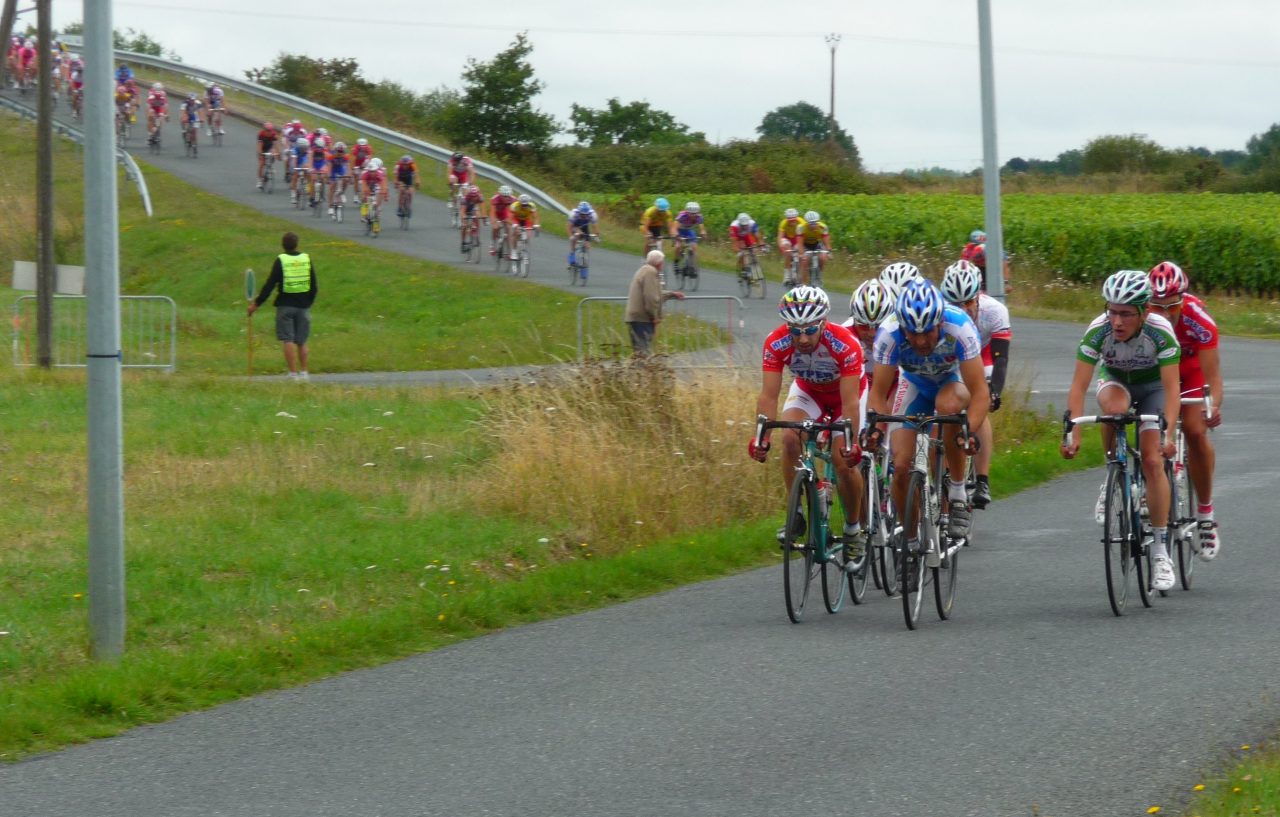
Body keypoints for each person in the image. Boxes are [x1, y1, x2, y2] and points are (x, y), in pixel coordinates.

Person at [1061, 270, 1181, 592]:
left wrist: (1168, 435)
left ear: (1144, 312)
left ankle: (1159, 549)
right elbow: (1078, 386)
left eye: (1126, 314)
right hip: (1115, 382)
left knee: (1154, 462)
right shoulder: (1097, 331)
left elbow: (1172, 391)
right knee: (1113, 413)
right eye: (1112, 311)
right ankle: (1112, 471)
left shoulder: (1161, 332)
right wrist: (1072, 431)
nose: (1116, 321)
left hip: (1154, 389)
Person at [865, 279, 989, 545]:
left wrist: (969, 433)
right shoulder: (889, 334)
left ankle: (956, 495)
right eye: (912, 333)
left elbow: (980, 393)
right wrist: (875, 428)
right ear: (902, 327)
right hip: (915, 385)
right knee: (900, 467)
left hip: (952, 381)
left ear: (940, 323)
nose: (920, 340)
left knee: (948, 407)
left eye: (928, 332)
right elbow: (878, 393)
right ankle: (909, 544)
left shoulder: (960, 327)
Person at [749, 286, 868, 560]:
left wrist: (851, 443)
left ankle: (853, 528)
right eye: (795, 330)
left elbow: (850, 403)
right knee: (789, 437)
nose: (802, 338)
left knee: (844, 463)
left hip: (846, 396)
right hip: (808, 391)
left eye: (810, 330)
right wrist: (760, 437)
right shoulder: (776, 342)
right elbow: (768, 395)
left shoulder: (845, 343)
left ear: (823, 323)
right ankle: (797, 513)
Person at [1147, 261, 1224, 560]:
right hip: (1156, 375)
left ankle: (1205, 514)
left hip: (1190, 374)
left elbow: (1214, 378)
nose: (1164, 313)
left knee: (1194, 429)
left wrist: (1212, 406)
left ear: (1183, 300)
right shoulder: (1140, 317)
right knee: (1146, 423)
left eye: (1171, 306)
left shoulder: (1198, 319)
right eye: (1157, 306)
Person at [940, 259, 1012, 509]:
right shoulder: (937, 311)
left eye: (968, 302)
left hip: (981, 357)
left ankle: (982, 479)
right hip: (949, 359)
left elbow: (1001, 359)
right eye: (954, 303)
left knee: (981, 403)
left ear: (979, 296)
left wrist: (994, 392)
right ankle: (945, 474)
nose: (962, 308)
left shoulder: (995, 311)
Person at [248, 232, 317, 381]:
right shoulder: (306, 259)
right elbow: (314, 285)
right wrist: (308, 302)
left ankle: (293, 374)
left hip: (285, 305)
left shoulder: (281, 260)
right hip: (304, 306)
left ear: (283, 245)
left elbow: (270, 284)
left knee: (288, 340)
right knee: (302, 341)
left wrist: (257, 303)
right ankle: (304, 373)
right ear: (297, 244)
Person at [625, 250, 686, 357]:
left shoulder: (645, 270)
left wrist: (672, 294)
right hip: (642, 319)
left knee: (639, 353)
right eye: (662, 262)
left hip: (637, 318)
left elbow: (656, 294)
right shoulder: (650, 272)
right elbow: (651, 298)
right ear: (658, 263)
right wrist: (654, 316)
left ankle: (638, 373)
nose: (663, 265)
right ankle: (642, 373)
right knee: (643, 354)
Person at [795, 210, 831, 285]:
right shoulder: (801, 227)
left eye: (815, 223)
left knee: (823, 258)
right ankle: (803, 283)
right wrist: (801, 254)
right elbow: (800, 243)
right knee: (804, 261)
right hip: (805, 245)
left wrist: (829, 252)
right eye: (811, 223)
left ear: (818, 222)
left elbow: (826, 242)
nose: (813, 225)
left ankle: (819, 275)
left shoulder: (822, 227)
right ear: (806, 222)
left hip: (817, 244)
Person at [673, 202, 707, 271]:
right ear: (687, 212)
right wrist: (677, 235)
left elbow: (702, 228)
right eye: (691, 213)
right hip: (680, 230)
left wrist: (703, 233)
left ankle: (692, 265)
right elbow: (674, 227)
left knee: (694, 247)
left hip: (689, 230)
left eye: (695, 213)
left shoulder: (699, 217)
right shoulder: (682, 215)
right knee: (678, 246)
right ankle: (676, 262)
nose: (693, 215)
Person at [776, 207, 804, 285]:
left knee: (800, 255)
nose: (793, 222)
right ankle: (787, 276)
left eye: (794, 220)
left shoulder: (801, 221)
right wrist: (781, 248)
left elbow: (804, 235)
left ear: (796, 218)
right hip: (786, 238)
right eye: (790, 221)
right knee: (788, 253)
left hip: (797, 239)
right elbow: (779, 237)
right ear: (787, 219)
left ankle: (800, 275)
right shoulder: (783, 223)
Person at [567, 200, 599, 266]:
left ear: (589, 213)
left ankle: (584, 258)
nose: (584, 216)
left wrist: (596, 237)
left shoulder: (593, 215)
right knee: (577, 235)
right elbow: (569, 227)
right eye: (582, 214)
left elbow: (595, 228)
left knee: (587, 245)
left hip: (584, 226)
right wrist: (571, 237)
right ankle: (572, 253)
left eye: (586, 214)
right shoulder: (574, 213)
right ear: (579, 211)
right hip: (575, 225)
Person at [489, 185, 517, 257]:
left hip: (505, 214)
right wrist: (494, 222)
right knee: (496, 227)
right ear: (500, 195)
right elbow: (492, 213)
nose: (506, 198)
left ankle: (509, 251)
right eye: (504, 196)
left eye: (508, 196)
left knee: (509, 230)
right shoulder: (495, 199)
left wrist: (513, 223)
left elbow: (514, 213)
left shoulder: (513, 199)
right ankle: (492, 244)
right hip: (496, 214)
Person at [509, 194, 540, 259]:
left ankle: (524, 250)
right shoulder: (514, 206)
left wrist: (536, 225)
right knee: (516, 233)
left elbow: (536, 217)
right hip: (516, 219)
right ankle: (514, 251)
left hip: (526, 220)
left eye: (526, 205)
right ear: (519, 202)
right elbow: (510, 218)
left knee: (528, 236)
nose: (524, 206)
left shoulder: (532, 206)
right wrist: (515, 225)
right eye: (523, 205)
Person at [327, 142, 350, 216]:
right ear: (335, 150)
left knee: (346, 179)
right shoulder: (331, 156)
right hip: (333, 169)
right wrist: (329, 177)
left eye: (342, 151)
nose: (340, 153)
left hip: (340, 169)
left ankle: (342, 192)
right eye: (339, 151)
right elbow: (329, 168)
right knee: (332, 186)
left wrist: (348, 175)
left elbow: (347, 167)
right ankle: (330, 206)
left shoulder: (345, 156)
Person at [255, 122, 279, 188]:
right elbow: (260, 146)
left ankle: (270, 165)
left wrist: (278, 153)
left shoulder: (273, 134)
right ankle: (260, 180)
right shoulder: (261, 134)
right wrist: (260, 154)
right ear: (264, 130)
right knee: (261, 164)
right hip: (263, 148)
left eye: (271, 130)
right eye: (268, 131)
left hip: (269, 147)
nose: (269, 132)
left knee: (273, 152)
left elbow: (276, 145)